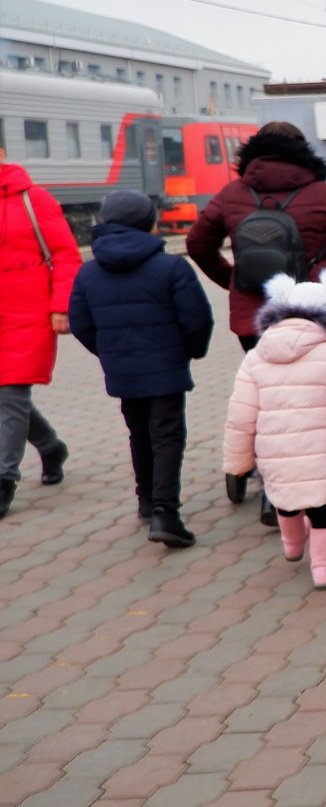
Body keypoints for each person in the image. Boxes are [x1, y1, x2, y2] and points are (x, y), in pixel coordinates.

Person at [67, 190, 215, 546]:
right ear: (150, 222)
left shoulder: (88, 273)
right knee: (167, 436)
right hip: (165, 369)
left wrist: (109, 352)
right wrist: (189, 352)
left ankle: (147, 501)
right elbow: (197, 319)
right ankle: (166, 512)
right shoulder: (172, 267)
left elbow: (80, 323)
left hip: (123, 370)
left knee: (139, 432)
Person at [224, 268, 326, 587]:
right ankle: (323, 569)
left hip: (275, 449)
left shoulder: (257, 355)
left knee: (285, 498)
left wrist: (238, 462)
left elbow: (240, 415)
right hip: (322, 449)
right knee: (323, 506)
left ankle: (293, 546)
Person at [185, 120, 326, 352]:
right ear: (303, 151)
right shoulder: (324, 193)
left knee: (264, 381)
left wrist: (233, 278)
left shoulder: (232, 194)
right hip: (317, 309)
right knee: (322, 379)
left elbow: (197, 244)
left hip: (254, 314)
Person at [0, 137, 78, 521]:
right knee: (5, 396)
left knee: (10, 391)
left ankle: (3, 478)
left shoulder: (33, 199)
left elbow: (66, 254)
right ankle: (50, 446)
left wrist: (61, 306)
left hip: (27, 310)